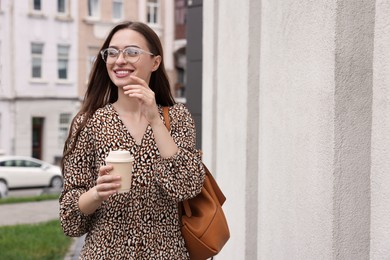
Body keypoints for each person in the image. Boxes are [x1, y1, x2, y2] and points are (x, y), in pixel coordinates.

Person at [59, 21, 205, 259]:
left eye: (132, 52)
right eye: (112, 52)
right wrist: (96, 194)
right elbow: (69, 219)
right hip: (104, 253)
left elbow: (186, 186)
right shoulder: (89, 122)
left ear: (155, 62)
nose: (120, 60)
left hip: (166, 254)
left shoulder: (177, 117)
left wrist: (155, 120)